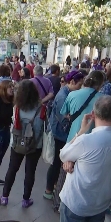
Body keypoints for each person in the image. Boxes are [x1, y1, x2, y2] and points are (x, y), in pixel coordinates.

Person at [1, 80, 44, 207]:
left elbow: (14, 124)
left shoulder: (17, 107)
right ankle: (25, 199)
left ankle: (4, 196)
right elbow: (40, 128)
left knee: (12, 169)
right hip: (35, 145)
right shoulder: (41, 108)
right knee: (30, 171)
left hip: (17, 143)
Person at [44, 71, 85, 199]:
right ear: (72, 82)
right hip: (59, 133)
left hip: (61, 132)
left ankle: (53, 185)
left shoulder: (67, 93)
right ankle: (48, 190)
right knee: (56, 162)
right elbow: (64, 118)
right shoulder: (63, 96)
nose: (81, 87)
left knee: (58, 161)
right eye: (80, 84)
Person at [60, 70, 105, 142]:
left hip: (73, 137)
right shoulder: (104, 99)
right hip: (92, 140)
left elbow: (64, 113)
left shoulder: (72, 94)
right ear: (101, 84)